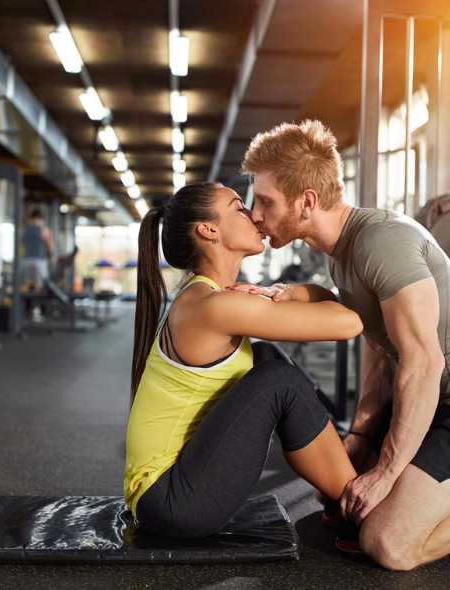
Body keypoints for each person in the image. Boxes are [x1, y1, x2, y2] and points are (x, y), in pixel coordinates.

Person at [232, 120, 450, 570]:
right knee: (335, 493)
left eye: (265, 201)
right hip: (428, 405)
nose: (255, 214)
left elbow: (424, 362)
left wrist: (387, 473)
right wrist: (362, 435)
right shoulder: (341, 257)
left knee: (388, 544)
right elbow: (378, 351)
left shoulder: (381, 242)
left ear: (306, 202)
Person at [125, 182, 362, 543]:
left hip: (170, 492)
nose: (252, 214)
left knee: (266, 358)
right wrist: (286, 296)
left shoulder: (209, 296)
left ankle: (338, 496)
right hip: (172, 503)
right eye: (238, 207)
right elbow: (350, 323)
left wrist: (285, 293)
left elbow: (329, 301)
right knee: (279, 383)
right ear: (209, 230)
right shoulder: (215, 306)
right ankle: (355, 505)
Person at [20, 208, 53, 321]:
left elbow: (22, 243)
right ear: (40, 218)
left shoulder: (25, 229)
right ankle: (35, 311)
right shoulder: (44, 229)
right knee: (39, 286)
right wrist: (50, 257)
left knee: (24, 285)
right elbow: (49, 246)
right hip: (39, 260)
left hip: (26, 260)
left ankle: (20, 311)